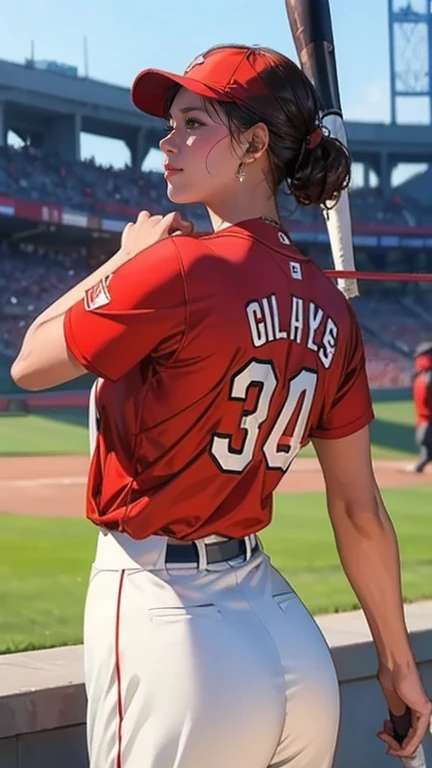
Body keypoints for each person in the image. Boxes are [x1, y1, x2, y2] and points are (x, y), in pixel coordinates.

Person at [11, 45, 431, 768]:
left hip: (172, 629)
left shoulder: (175, 266)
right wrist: (397, 667)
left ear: (255, 145)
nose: (166, 142)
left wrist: (126, 257)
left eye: (192, 121)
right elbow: (360, 512)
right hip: (289, 643)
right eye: (169, 124)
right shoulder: (332, 308)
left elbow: (30, 360)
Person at [409, 341, 432, 473]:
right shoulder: (421, 375)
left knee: (424, 441)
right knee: (424, 441)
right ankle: (420, 464)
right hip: (425, 417)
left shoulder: (426, 376)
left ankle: (420, 465)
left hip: (427, 418)